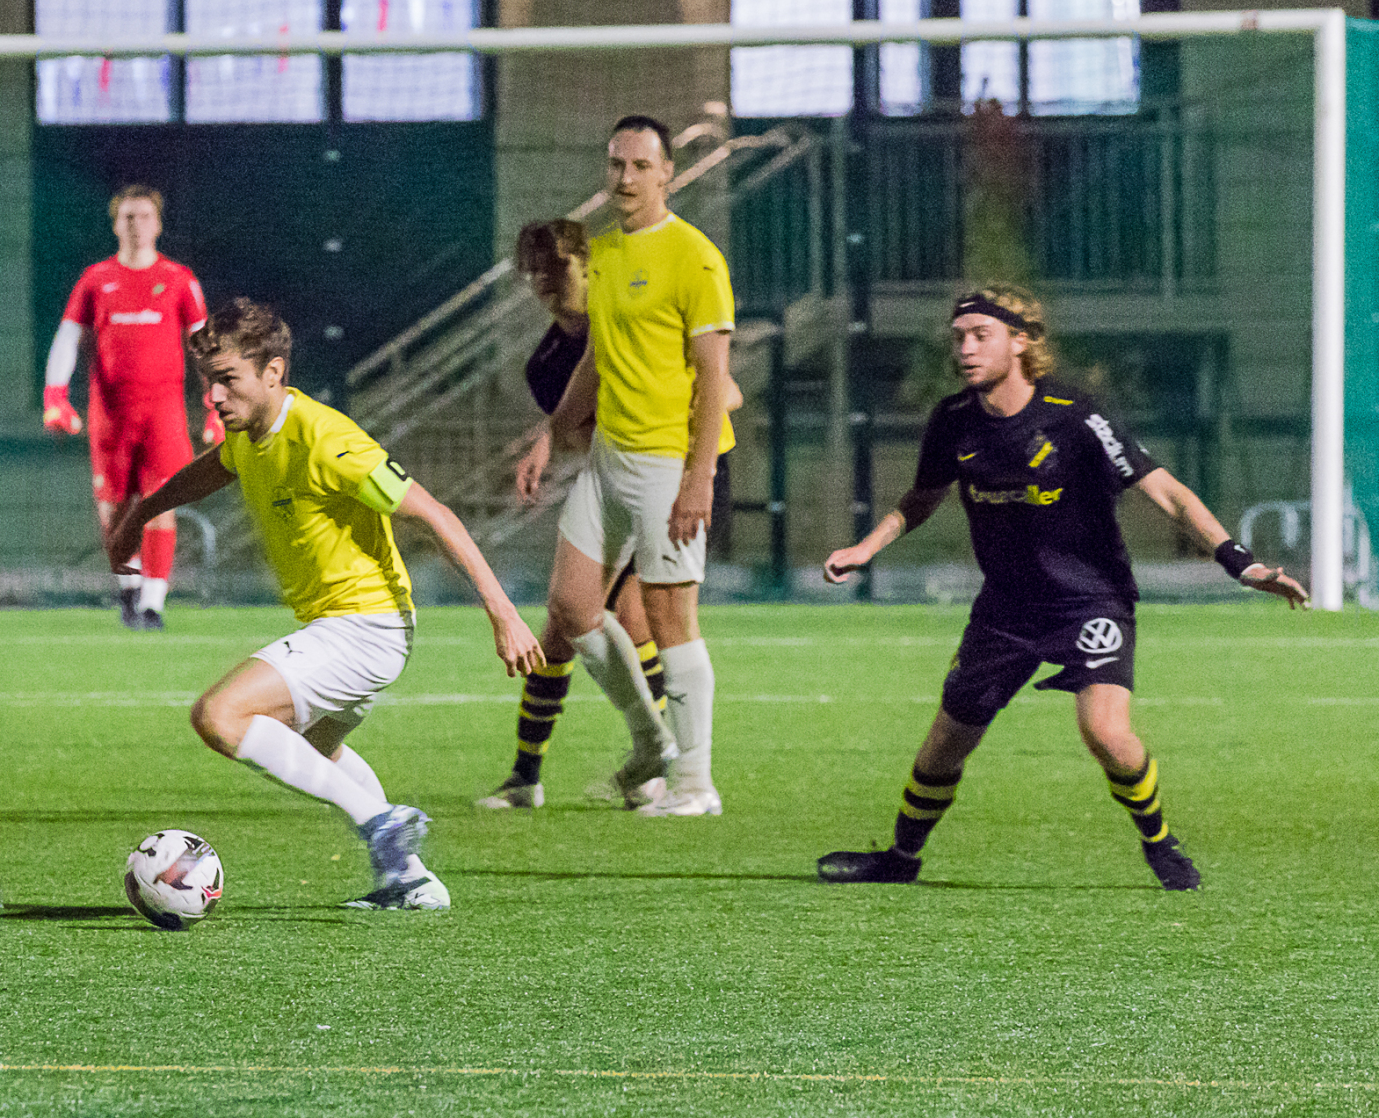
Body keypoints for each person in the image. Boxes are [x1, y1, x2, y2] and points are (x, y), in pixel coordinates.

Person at [816, 285, 1308, 890]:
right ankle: (900, 858)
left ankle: (1160, 843)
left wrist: (1240, 563)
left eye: (981, 336)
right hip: (1005, 611)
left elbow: (1167, 492)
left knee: (1106, 733)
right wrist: (866, 548)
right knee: (945, 744)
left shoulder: (1075, 415)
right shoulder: (953, 419)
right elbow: (922, 496)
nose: (965, 349)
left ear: (1020, 342)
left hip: (1089, 601)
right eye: (959, 337)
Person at [108, 298, 544, 909]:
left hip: (365, 626)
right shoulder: (248, 434)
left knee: (219, 716)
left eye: (227, 379)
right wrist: (143, 512)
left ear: (273, 372)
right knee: (316, 750)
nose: (214, 397)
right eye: (209, 382)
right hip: (349, 626)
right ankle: (412, 881)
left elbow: (435, 514)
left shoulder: (329, 440)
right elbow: (214, 468)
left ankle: (380, 822)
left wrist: (503, 613)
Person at [478, 217, 742, 810]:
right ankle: (550, 772)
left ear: (587, 263)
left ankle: (664, 770)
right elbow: (579, 431)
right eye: (534, 275)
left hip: (676, 471)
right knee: (567, 618)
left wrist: (682, 449)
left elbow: (725, 390)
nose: (546, 285)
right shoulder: (548, 362)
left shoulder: (634, 309)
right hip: (617, 474)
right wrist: (554, 437)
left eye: (557, 269)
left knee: (638, 617)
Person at [545, 115, 738, 818]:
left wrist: (699, 478)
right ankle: (651, 742)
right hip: (606, 460)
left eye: (640, 166)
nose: (625, 178)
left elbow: (714, 378)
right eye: (616, 164)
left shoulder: (696, 258)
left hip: (668, 463)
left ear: (667, 174)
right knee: (572, 606)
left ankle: (696, 784)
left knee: (669, 617)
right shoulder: (601, 254)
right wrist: (552, 432)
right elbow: (598, 357)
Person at [43, 184, 224, 631]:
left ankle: (153, 605)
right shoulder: (95, 280)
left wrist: (217, 404)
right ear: (115, 224)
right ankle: (128, 587)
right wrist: (56, 396)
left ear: (158, 224)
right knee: (114, 510)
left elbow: (204, 344)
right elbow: (68, 336)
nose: (136, 225)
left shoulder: (180, 280)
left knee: (161, 501)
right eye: (128, 217)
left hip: (163, 413)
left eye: (144, 216)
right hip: (110, 415)